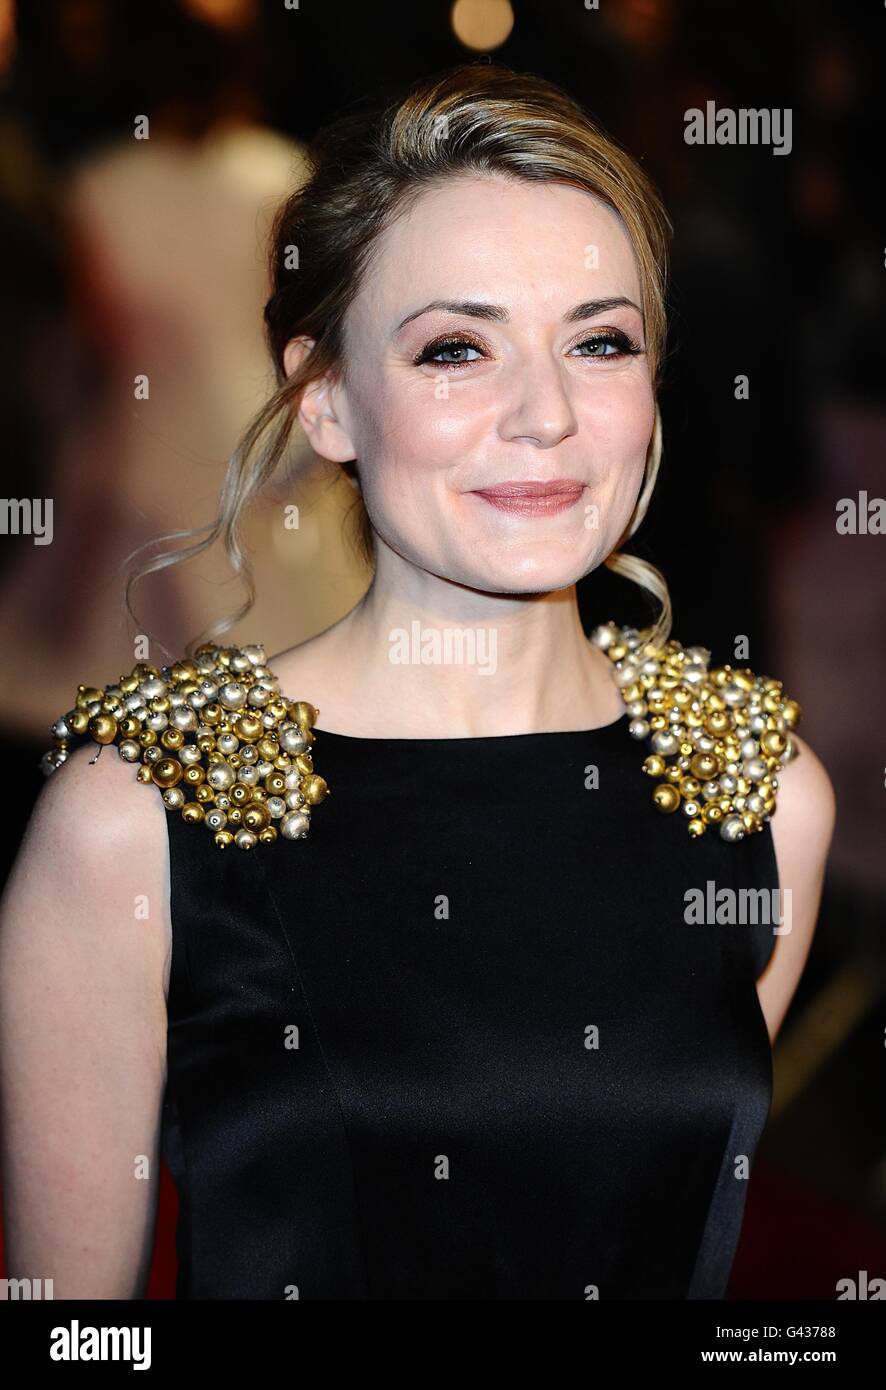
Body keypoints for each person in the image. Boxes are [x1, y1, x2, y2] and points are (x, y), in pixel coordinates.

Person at [0, 62, 835, 1301]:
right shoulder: (134, 816)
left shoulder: (755, 791)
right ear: (325, 399)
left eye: (598, 341)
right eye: (456, 349)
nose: (545, 414)